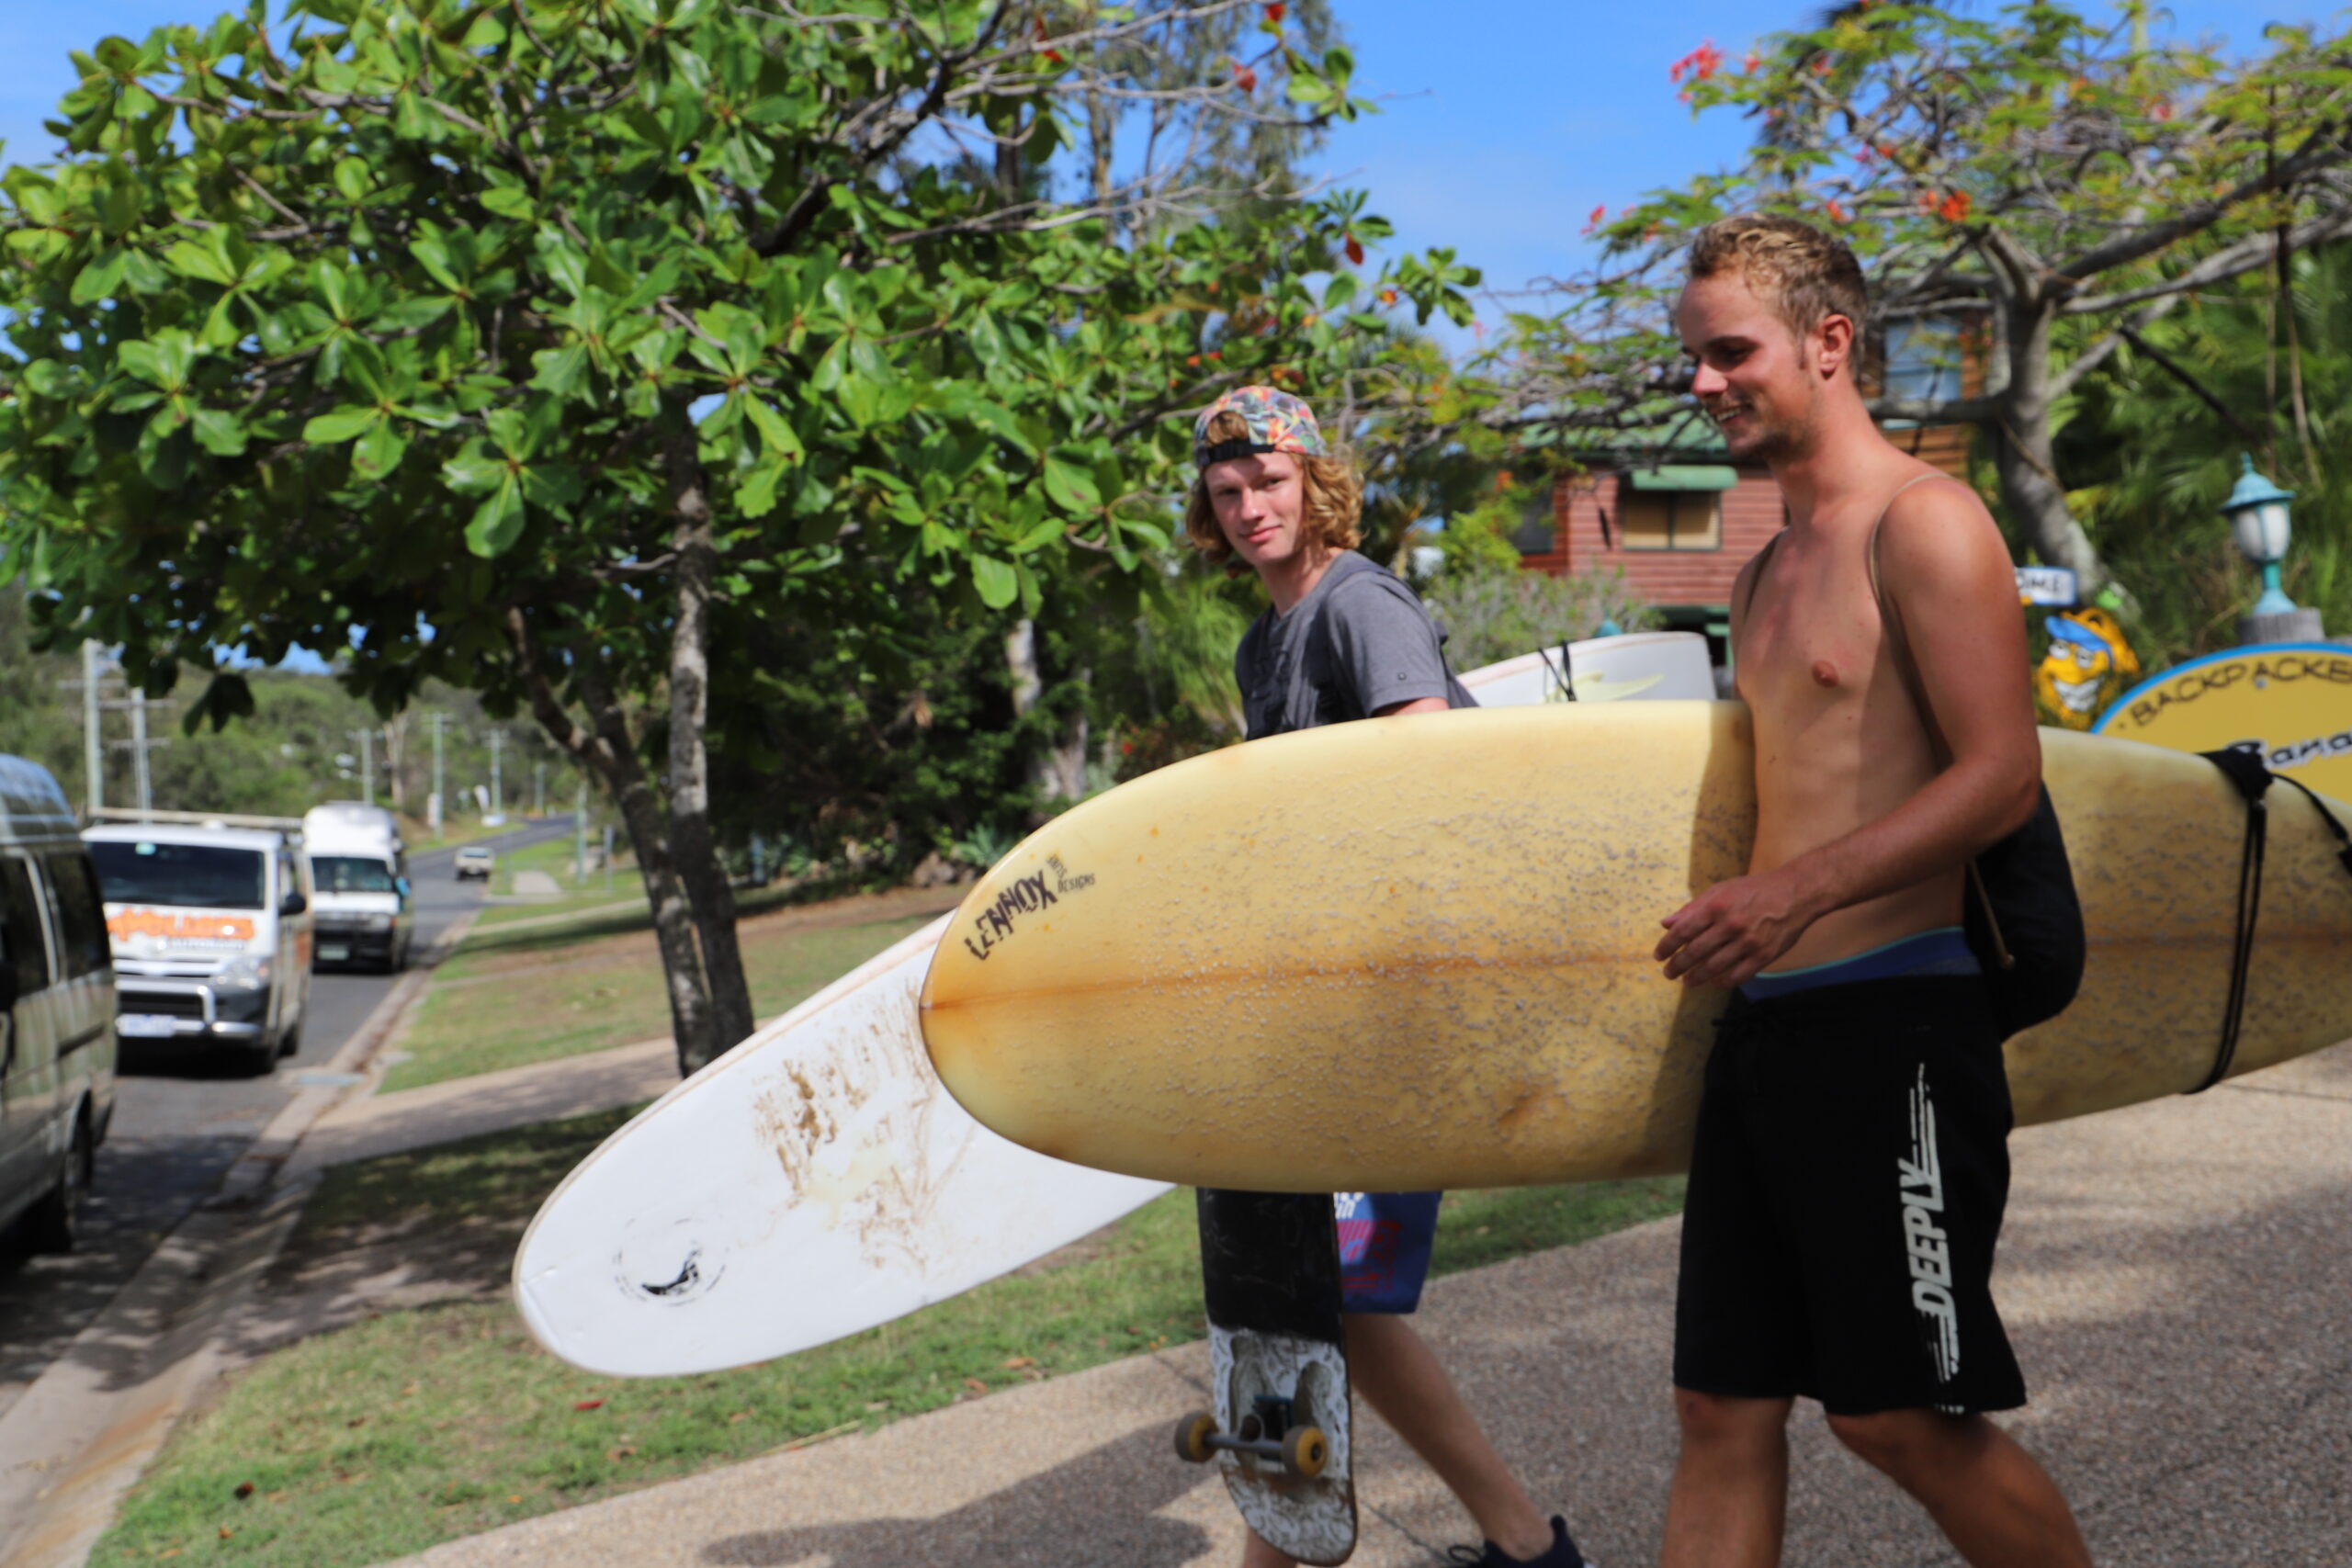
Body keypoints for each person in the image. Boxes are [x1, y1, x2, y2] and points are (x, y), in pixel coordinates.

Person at [1651, 214, 2093, 1568]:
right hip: (1768, 1033)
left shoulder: (1930, 522)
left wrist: (1794, 894)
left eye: (1731, 352)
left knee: (1896, 1416)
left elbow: (2000, 775)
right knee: (1721, 1406)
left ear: (1830, 343)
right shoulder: (1767, 569)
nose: (1702, 383)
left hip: (1895, 1025)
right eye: (1692, 358)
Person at [1182, 385, 1590, 1568]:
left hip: (1408, 1011)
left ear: (1315, 484)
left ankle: (1515, 1546)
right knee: (1304, 1295)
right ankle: (1524, 1547)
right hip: (1330, 1021)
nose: (1251, 506)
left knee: (1324, 1293)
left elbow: (1433, 788)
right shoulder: (1267, 641)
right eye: (1227, 493)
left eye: (1268, 483)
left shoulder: (1361, 606)